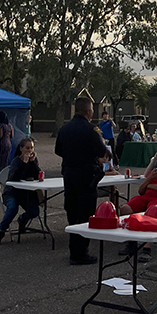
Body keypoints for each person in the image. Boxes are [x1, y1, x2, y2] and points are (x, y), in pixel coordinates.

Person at [55, 97, 107, 265]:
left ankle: (74, 250)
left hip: (69, 175)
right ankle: (80, 253)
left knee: (72, 211)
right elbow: (101, 151)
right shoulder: (92, 130)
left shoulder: (64, 128)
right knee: (84, 214)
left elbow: (58, 150)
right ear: (88, 112)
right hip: (86, 176)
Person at [117, 149, 157, 262]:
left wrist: (150, 185)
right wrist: (150, 179)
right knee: (124, 209)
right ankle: (131, 242)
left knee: (152, 212)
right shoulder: (154, 173)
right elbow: (141, 190)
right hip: (145, 197)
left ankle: (147, 248)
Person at [0, 137, 40, 245]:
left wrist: (32, 163)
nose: (30, 151)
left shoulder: (33, 160)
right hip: (12, 192)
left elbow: (38, 176)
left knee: (34, 211)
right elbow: (13, 178)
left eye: (32, 148)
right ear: (21, 148)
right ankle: (1, 231)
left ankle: (22, 219)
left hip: (26, 192)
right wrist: (23, 163)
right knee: (13, 208)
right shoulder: (16, 161)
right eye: (27, 148)